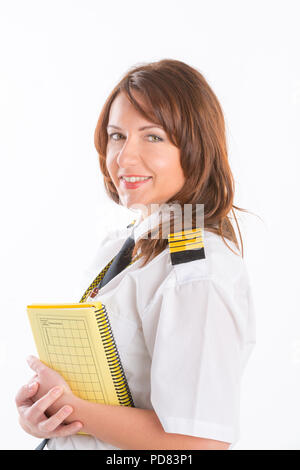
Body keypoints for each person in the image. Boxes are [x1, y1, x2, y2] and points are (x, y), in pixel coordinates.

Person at [15, 59, 256, 450]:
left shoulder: (197, 274)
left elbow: (198, 444)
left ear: (195, 147)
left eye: (153, 137)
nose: (124, 158)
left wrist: (73, 408)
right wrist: (48, 413)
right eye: (116, 136)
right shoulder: (126, 245)